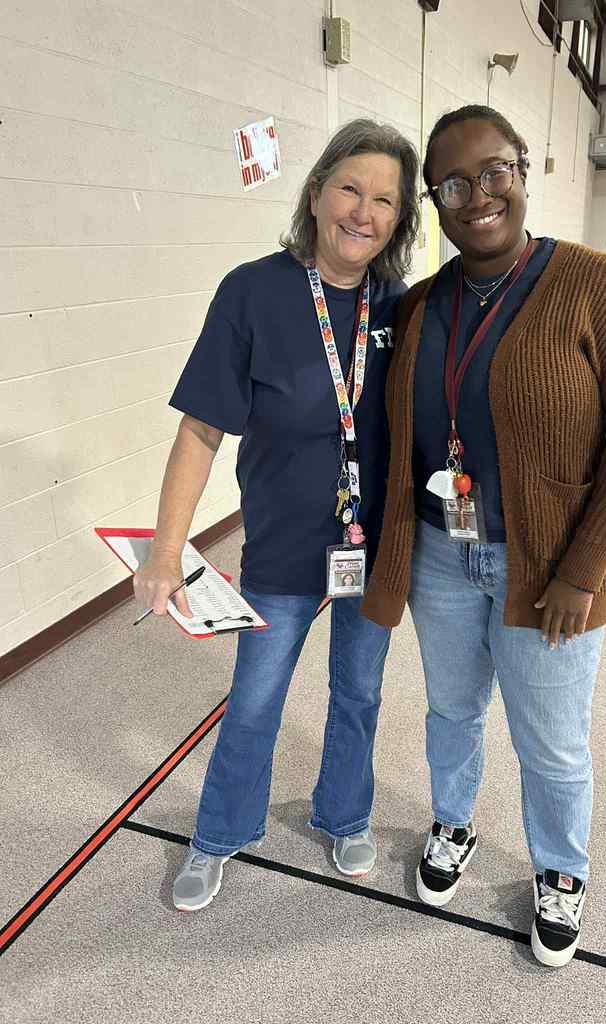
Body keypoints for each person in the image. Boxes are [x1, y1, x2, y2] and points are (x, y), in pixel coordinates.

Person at [360, 105, 606, 967]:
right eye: (453, 184)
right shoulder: (422, 306)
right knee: (452, 711)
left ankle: (562, 871)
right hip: (441, 554)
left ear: (524, 170)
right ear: (436, 200)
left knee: (551, 738)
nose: (478, 195)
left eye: (494, 170)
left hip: (549, 569)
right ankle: (454, 823)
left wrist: (583, 570)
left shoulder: (600, 286)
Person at [134, 119, 419, 911]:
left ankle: (344, 814)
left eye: (385, 201)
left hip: (372, 551)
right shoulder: (252, 291)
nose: (363, 212)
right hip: (284, 547)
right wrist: (167, 549)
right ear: (318, 191)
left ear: (399, 221)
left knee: (359, 694)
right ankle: (218, 834)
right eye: (351, 189)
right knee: (256, 700)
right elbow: (200, 428)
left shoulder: (404, 306)